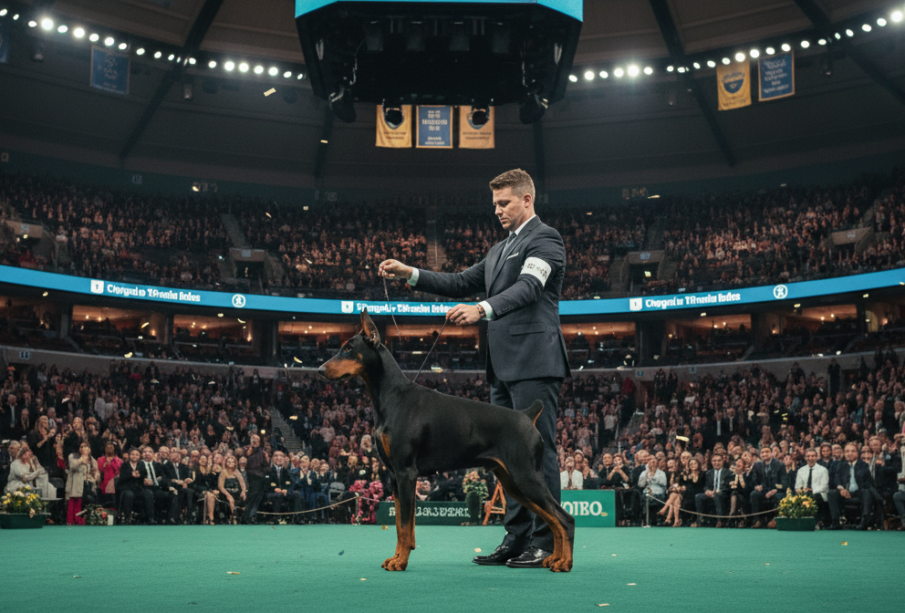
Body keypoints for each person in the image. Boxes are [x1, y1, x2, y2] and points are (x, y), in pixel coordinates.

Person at [380, 168, 569, 568]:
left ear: (527, 200)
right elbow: (459, 281)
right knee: (503, 458)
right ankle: (516, 540)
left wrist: (482, 308)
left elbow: (529, 288)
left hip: (535, 361)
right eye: (495, 204)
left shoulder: (546, 239)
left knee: (537, 455)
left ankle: (546, 542)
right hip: (500, 369)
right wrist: (410, 274)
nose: (497, 210)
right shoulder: (498, 250)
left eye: (504, 203)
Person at [827, 442, 876, 530]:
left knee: (867, 492)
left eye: (852, 451)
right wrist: (842, 489)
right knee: (831, 493)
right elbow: (837, 479)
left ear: (857, 453)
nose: (849, 454)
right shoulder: (841, 465)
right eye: (847, 451)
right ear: (844, 453)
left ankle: (864, 522)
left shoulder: (863, 465)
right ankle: (835, 522)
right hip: (845, 491)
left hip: (859, 492)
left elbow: (866, 482)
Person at [750, 446, 788, 528]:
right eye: (762, 452)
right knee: (754, 494)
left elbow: (784, 482)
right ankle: (757, 520)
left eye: (767, 452)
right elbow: (754, 481)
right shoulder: (757, 465)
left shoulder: (780, 465)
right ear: (760, 455)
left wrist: (775, 490)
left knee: (780, 496)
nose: (764, 454)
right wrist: (756, 486)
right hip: (763, 490)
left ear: (771, 453)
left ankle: (776, 520)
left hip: (776, 491)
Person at [65, 442, 99, 525]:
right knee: (73, 500)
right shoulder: (73, 456)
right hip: (75, 483)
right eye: (81, 446)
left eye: (85, 446)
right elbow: (73, 466)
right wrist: (82, 458)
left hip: (87, 484)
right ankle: (70, 521)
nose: (83, 448)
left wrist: (95, 477)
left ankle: (81, 519)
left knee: (84, 501)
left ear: (89, 449)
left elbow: (96, 470)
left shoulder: (92, 459)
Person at [794, 448, 830, 525]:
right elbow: (797, 486)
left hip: (820, 494)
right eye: (808, 456)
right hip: (804, 493)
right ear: (805, 458)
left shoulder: (823, 470)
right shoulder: (801, 470)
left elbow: (824, 486)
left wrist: (811, 490)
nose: (810, 458)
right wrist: (803, 490)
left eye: (813, 456)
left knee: (814, 496)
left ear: (817, 457)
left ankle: (815, 522)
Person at [695, 453, 730, 527]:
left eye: (719, 461)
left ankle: (720, 520)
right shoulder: (709, 473)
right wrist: (707, 491)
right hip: (711, 493)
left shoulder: (728, 472)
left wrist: (718, 491)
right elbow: (706, 486)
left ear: (723, 461)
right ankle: (700, 519)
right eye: (714, 461)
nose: (716, 463)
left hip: (723, 494)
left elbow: (728, 487)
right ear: (711, 462)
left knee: (716, 495)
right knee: (698, 496)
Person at [242, 434, 268, 523]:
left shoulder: (262, 451)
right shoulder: (246, 449)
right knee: (252, 496)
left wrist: (264, 473)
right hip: (251, 476)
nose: (255, 440)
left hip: (261, 477)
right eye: (253, 438)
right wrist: (247, 453)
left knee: (258, 497)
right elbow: (241, 459)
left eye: (257, 439)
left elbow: (265, 464)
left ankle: (252, 516)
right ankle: (246, 516)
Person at [219, 455, 246, 524]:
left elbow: (243, 484)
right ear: (226, 463)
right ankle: (233, 517)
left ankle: (244, 518)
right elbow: (221, 487)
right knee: (231, 500)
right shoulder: (223, 472)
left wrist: (243, 491)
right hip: (226, 492)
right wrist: (228, 495)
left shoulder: (237, 472)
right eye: (229, 462)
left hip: (236, 491)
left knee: (245, 497)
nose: (230, 463)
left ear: (235, 463)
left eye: (232, 462)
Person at [97, 442, 122, 508]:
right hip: (103, 485)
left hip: (115, 486)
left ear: (114, 449)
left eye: (111, 447)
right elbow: (97, 471)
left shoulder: (120, 461)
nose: (109, 449)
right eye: (107, 447)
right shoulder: (100, 460)